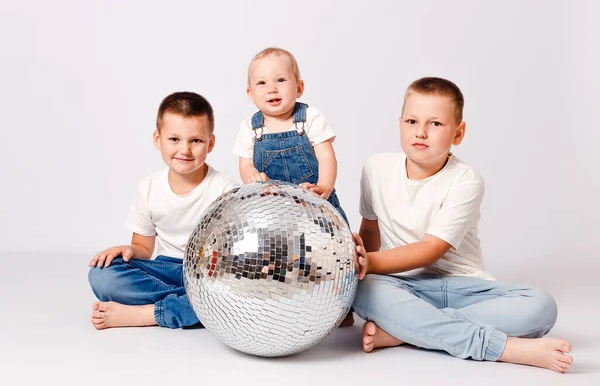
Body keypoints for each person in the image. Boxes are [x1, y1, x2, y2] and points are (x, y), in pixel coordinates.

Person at [351, 77, 573, 373]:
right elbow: (370, 230)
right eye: (412, 121)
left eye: (436, 124)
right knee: (362, 290)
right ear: (400, 123)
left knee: (542, 306)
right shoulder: (375, 167)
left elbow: (431, 249)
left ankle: (404, 331)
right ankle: (502, 348)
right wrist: (359, 269)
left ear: (458, 133)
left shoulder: (466, 179)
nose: (421, 132)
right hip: (399, 282)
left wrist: (367, 263)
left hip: (463, 286)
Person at [88, 92, 237, 329]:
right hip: (166, 269)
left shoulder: (225, 190)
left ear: (211, 143)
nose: (185, 150)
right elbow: (144, 249)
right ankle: (194, 305)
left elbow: (231, 257)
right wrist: (127, 249)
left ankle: (149, 313)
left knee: (235, 291)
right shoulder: (148, 188)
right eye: (174, 139)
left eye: (195, 141)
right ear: (158, 139)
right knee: (102, 275)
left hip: (208, 274)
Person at [232, 47, 353, 326]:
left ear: (299, 87)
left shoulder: (309, 117)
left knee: (335, 254)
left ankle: (343, 306)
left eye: (281, 80)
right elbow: (245, 164)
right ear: (250, 94)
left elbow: (326, 156)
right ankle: (284, 306)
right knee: (280, 259)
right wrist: (251, 174)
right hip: (274, 208)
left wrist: (324, 186)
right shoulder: (251, 128)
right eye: (262, 83)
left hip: (315, 201)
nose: (272, 89)